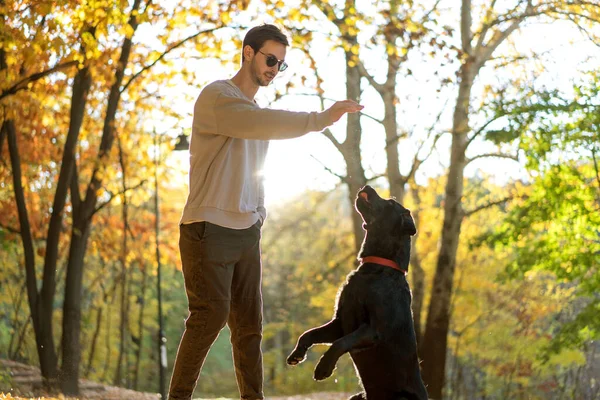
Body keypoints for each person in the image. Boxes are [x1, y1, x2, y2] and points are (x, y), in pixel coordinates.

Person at [168, 24, 363, 400]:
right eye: (270, 59)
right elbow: (259, 124)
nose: (274, 68)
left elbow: (256, 168)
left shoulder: (254, 111)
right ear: (248, 53)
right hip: (207, 229)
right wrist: (318, 119)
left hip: (245, 232)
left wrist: (259, 213)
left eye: (281, 64)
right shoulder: (217, 97)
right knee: (209, 318)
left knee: (250, 328)